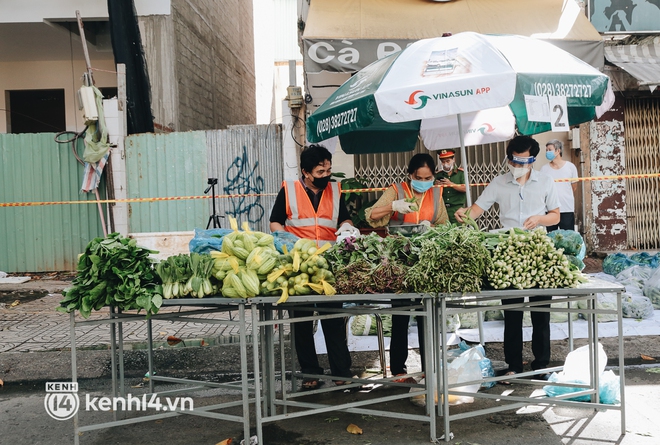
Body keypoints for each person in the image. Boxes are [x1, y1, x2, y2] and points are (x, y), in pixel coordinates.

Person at [455, 136, 560, 382]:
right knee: (512, 313)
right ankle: (513, 365)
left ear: (533, 159)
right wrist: (463, 214)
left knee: (540, 313)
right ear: (509, 158)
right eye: (515, 160)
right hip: (509, 253)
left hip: (537, 253)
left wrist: (539, 219)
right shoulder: (499, 183)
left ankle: (541, 365)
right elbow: (477, 210)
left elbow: (555, 216)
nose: (519, 165)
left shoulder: (545, 181)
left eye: (525, 161)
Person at [269, 144, 355, 389]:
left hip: (328, 265)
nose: (326, 175)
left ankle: (342, 372)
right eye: (320, 172)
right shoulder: (290, 190)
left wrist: (347, 227)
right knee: (301, 322)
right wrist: (285, 239)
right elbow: (275, 221)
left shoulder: (335, 190)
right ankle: (310, 373)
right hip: (298, 266)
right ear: (305, 172)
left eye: (328, 169)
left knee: (334, 319)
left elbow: (343, 217)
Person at [365, 153, 449, 381]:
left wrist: (431, 227)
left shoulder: (436, 193)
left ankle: (429, 366)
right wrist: (393, 206)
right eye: (419, 177)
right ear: (411, 175)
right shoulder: (398, 190)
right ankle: (399, 370)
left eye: (429, 177)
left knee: (427, 315)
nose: (424, 181)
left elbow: (445, 225)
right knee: (401, 314)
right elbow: (371, 215)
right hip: (400, 260)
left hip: (426, 261)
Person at [540, 139, 578, 232]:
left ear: (558, 151)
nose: (547, 152)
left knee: (568, 236)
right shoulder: (544, 169)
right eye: (546, 150)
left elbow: (574, 187)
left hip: (566, 208)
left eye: (550, 149)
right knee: (551, 237)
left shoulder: (570, 167)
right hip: (550, 209)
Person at [434, 148, 467, 224]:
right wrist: (436, 186)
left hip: (457, 209)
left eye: (448, 161)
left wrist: (451, 184)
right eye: (443, 161)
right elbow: (432, 193)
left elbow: (466, 189)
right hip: (442, 209)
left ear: (453, 160)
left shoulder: (461, 174)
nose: (445, 164)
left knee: (458, 232)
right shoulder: (438, 175)